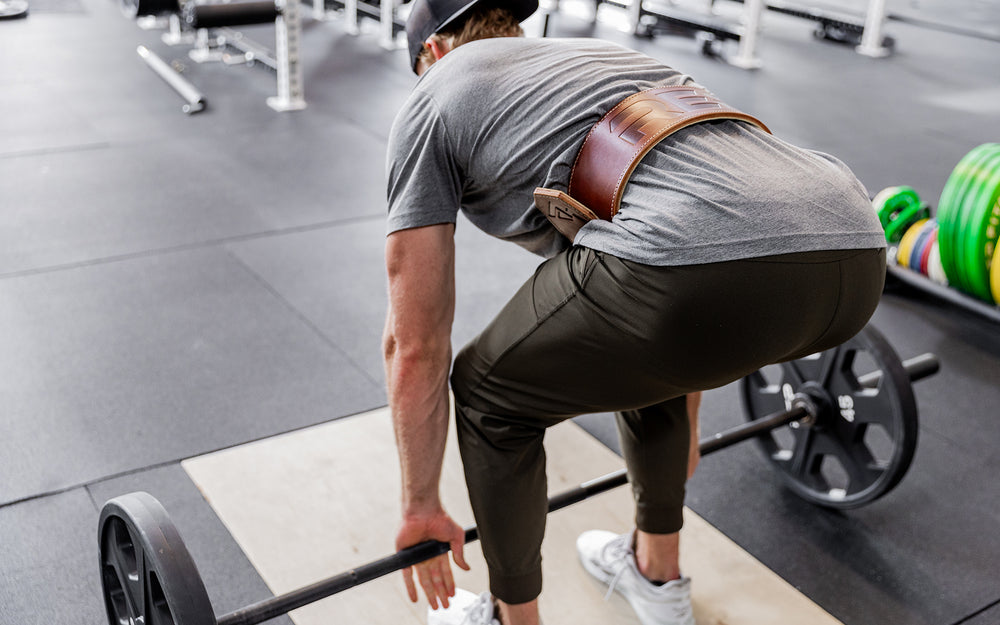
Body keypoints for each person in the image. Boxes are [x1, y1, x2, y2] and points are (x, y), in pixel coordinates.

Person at [381, 1, 887, 624]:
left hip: (687, 270)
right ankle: (656, 573)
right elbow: (714, 199)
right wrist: (687, 427)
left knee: (488, 393)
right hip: (857, 248)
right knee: (632, 335)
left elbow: (416, 343)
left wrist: (420, 506)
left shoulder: (433, 97)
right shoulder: (613, 60)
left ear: (430, 53)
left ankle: (513, 619)